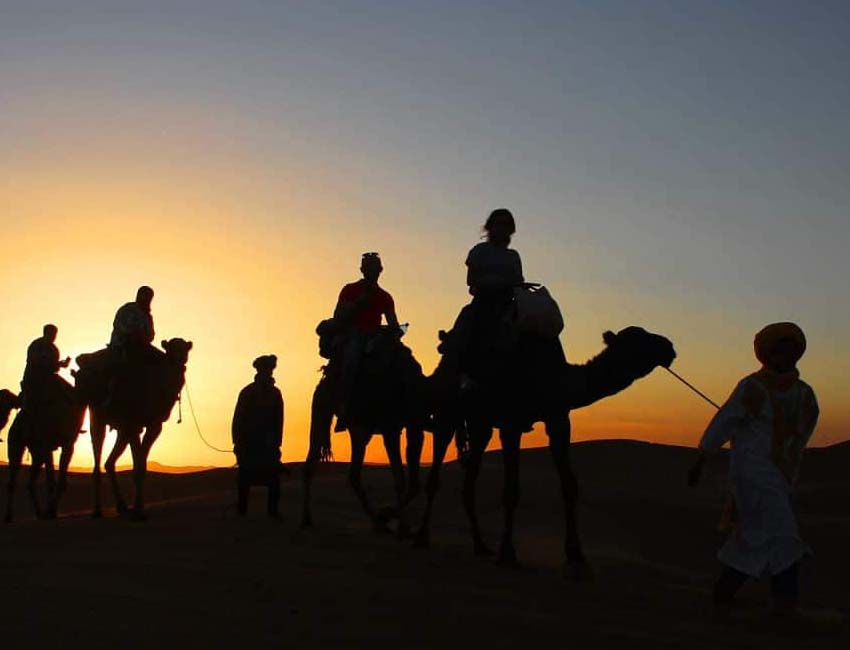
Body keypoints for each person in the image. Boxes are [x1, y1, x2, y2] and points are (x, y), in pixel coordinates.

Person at [689, 322, 819, 622]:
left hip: (779, 474)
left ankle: (726, 595)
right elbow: (725, 421)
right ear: (766, 354)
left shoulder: (804, 393)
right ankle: (784, 604)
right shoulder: (752, 388)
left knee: (758, 535)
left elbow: (805, 427)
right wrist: (702, 457)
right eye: (778, 350)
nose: (784, 356)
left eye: (789, 350)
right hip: (751, 473)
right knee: (783, 534)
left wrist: (784, 435)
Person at [451, 209, 525, 374]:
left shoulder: (513, 256)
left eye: (506, 224)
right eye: (499, 224)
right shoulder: (479, 251)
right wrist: (497, 284)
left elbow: (519, 282)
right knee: (468, 330)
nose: (502, 228)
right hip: (484, 303)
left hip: (510, 305)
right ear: (490, 227)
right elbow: (471, 280)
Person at [333, 252, 400, 427]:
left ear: (380, 270)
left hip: (377, 336)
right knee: (352, 359)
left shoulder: (385, 296)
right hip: (354, 334)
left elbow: (392, 321)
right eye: (369, 267)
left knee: (405, 360)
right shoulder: (350, 290)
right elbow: (338, 315)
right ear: (362, 270)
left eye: (375, 268)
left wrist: (397, 331)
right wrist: (358, 303)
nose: (372, 271)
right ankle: (344, 406)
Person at [232, 355, 285, 518]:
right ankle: (245, 512)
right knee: (246, 479)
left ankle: (271, 512)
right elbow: (238, 419)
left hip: (266, 444)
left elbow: (278, 421)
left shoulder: (273, 394)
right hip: (250, 443)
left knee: (271, 479)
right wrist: (238, 443)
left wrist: (276, 444)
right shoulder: (249, 393)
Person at [20, 324, 70, 410]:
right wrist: (57, 364)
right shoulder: (36, 345)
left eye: (54, 334)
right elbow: (35, 362)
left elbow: (54, 368)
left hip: (49, 379)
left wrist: (61, 364)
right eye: (51, 334)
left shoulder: (54, 349)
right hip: (34, 379)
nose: (53, 336)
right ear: (45, 333)